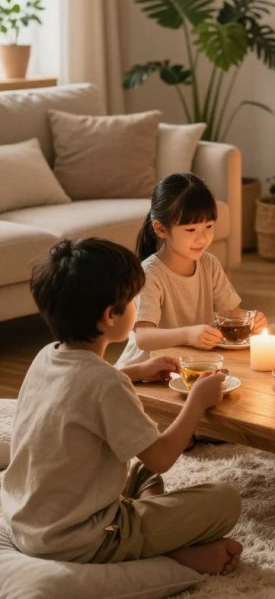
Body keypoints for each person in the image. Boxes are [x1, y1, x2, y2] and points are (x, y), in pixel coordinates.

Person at [1, 238, 243, 574]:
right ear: (111, 315)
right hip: (82, 537)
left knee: (138, 471)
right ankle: (170, 552)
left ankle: (160, 537)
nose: (136, 308)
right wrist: (197, 403)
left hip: (26, 517)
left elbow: (77, 392)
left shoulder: (47, 356)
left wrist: (132, 371)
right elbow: (161, 458)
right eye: (133, 301)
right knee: (224, 500)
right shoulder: (105, 384)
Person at [117, 172, 266, 367]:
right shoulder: (150, 273)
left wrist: (251, 319)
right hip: (144, 372)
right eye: (190, 230)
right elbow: (143, 338)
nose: (202, 238)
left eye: (209, 226)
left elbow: (230, 313)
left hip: (187, 364)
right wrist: (189, 335)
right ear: (161, 229)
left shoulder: (209, 264)